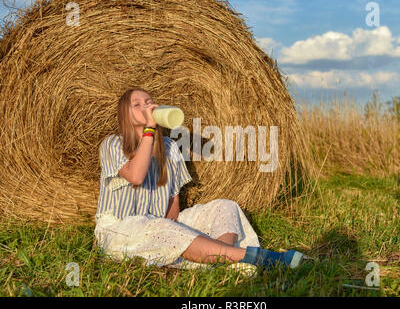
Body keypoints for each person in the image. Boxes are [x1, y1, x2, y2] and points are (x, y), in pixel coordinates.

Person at [94, 87, 305, 271]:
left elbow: (173, 200)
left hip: (159, 223)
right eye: (137, 104)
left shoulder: (168, 147)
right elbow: (136, 176)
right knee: (159, 228)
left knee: (225, 206)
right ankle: (258, 258)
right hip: (120, 229)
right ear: (125, 114)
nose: (146, 106)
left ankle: (217, 259)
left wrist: (172, 226)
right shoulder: (113, 144)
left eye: (149, 102)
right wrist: (150, 128)